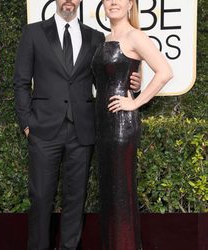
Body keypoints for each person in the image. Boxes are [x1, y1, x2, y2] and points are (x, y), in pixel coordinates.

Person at [13, 0, 141, 249]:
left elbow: (106, 73)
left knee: (75, 198)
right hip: (43, 128)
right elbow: (20, 82)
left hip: (82, 129)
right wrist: (26, 123)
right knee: (40, 198)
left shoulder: (95, 37)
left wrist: (132, 81)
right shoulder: (34, 33)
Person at [91, 0, 173, 249]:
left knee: (120, 197)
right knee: (109, 197)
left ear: (130, 5)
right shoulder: (104, 38)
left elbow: (165, 72)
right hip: (103, 126)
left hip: (120, 127)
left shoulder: (135, 36)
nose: (113, 2)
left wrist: (135, 103)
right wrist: (135, 82)